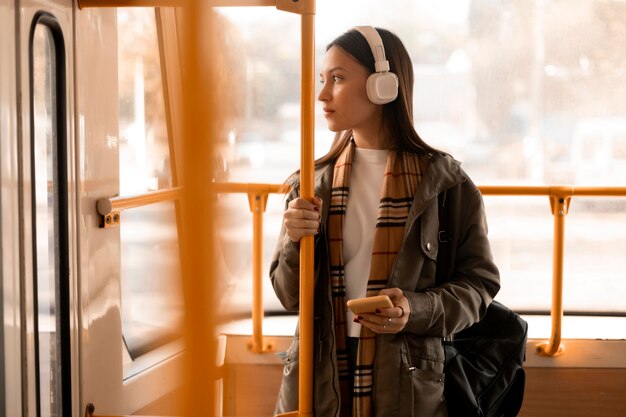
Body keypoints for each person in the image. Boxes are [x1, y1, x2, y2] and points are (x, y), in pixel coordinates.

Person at [270, 26, 500, 417]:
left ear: (384, 86)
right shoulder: (311, 184)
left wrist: (414, 309)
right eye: (322, 80)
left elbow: (479, 287)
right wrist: (295, 240)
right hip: (319, 377)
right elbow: (289, 296)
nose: (322, 94)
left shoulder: (446, 185)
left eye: (338, 79)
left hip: (407, 380)